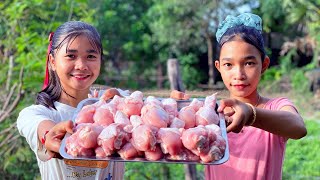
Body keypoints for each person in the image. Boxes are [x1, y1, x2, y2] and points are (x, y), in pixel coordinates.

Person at [17, 21, 125, 180]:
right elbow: (40, 128)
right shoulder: (37, 113)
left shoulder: (114, 105)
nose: (81, 65)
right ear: (52, 61)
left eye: (90, 56)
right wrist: (51, 135)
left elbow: (148, 108)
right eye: (71, 56)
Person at [205, 13, 307, 180]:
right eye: (228, 65)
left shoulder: (275, 107)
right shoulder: (211, 113)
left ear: (264, 65)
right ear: (219, 67)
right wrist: (178, 107)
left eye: (249, 63)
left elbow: (299, 127)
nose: (239, 74)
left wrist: (251, 114)